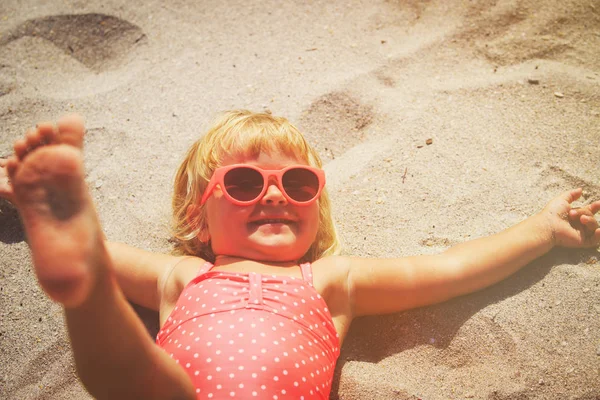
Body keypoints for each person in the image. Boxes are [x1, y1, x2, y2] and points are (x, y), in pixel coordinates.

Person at [1, 110, 599, 400]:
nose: (274, 195)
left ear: (317, 208)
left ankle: (80, 284)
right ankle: (79, 287)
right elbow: (104, 255)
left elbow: (447, 269)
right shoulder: (183, 275)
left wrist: (540, 231)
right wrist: (35, 214)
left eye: (299, 185)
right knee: (136, 373)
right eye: (241, 184)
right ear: (197, 219)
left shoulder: (332, 280)